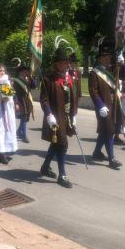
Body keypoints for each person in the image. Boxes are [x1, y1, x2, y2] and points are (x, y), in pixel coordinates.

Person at [39, 47, 77, 188]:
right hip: (56, 116)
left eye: (66, 62)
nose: (65, 65)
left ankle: (45, 167)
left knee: (56, 143)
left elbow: (73, 98)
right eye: (62, 62)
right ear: (56, 64)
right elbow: (44, 99)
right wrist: (49, 114)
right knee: (62, 144)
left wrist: (74, 115)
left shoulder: (68, 78)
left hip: (67, 116)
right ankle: (62, 175)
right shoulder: (48, 79)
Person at [89, 40, 124, 170]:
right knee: (109, 131)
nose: (107, 59)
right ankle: (111, 159)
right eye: (104, 57)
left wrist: (122, 63)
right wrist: (100, 105)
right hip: (103, 107)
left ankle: (97, 152)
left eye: (108, 56)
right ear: (99, 59)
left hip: (114, 104)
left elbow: (124, 75)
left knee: (105, 131)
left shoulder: (113, 69)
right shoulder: (94, 73)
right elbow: (93, 91)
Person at [13, 65, 35, 143]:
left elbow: (34, 86)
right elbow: (14, 93)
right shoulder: (16, 80)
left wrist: (31, 77)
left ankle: (18, 132)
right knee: (24, 117)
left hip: (27, 100)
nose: (27, 72)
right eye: (25, 71)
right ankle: (24, 136)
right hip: (20, 100)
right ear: (21, 72)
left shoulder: (27, 79)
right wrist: (16, 102)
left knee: (25, 117)